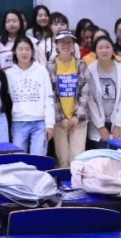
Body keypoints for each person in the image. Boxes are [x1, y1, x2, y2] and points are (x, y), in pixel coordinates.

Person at [48, 29, 91, 167]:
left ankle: (76, 181)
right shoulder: (50, 66)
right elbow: (51, 94)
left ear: (73, 44)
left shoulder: (81, 65)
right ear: (56, 44)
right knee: (63, 158)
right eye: (62, 42)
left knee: (77, 159)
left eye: (69, 42)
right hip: (59, 120)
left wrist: (77, 116)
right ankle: (64, 181)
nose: (66, 45)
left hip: (79, 120)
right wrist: (62, 118)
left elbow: (85, 92)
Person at [5, 36, 54, 155]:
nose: (24, 52)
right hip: (18, 122)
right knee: (18, 159)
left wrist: (50, 125)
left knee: (38, 158)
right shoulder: (9, 74)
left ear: (32, 51)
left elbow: (49, 98)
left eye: (27, 49)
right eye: (20, 49)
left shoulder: (41, 70)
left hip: (40, 122)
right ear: (14, 51)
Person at [86, 36, 121, 148]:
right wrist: (100, 126)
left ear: (113, 49)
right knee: (102, 157)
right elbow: (90, 101)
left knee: (119, 157)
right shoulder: (89, 71)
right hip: (98, 125)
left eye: (107, 47)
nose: (104, 50)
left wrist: (119, 125)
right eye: (100, 48)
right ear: (95, 51)